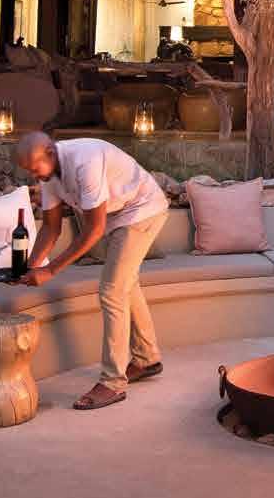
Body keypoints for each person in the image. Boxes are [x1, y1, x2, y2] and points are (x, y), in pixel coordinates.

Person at [14, 131, 169, 409]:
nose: (33, 176)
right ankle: (147, 358)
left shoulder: (85, 161)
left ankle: (112, 383)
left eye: (35, 169)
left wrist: (51, 270)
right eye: (29, 171)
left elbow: (94, 229)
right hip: (118, 217)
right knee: (125, 283)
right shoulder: (49, 176)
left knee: (111, 291)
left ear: (50, 152)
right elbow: (51, 227)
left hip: (142, 209)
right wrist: (30, 267)